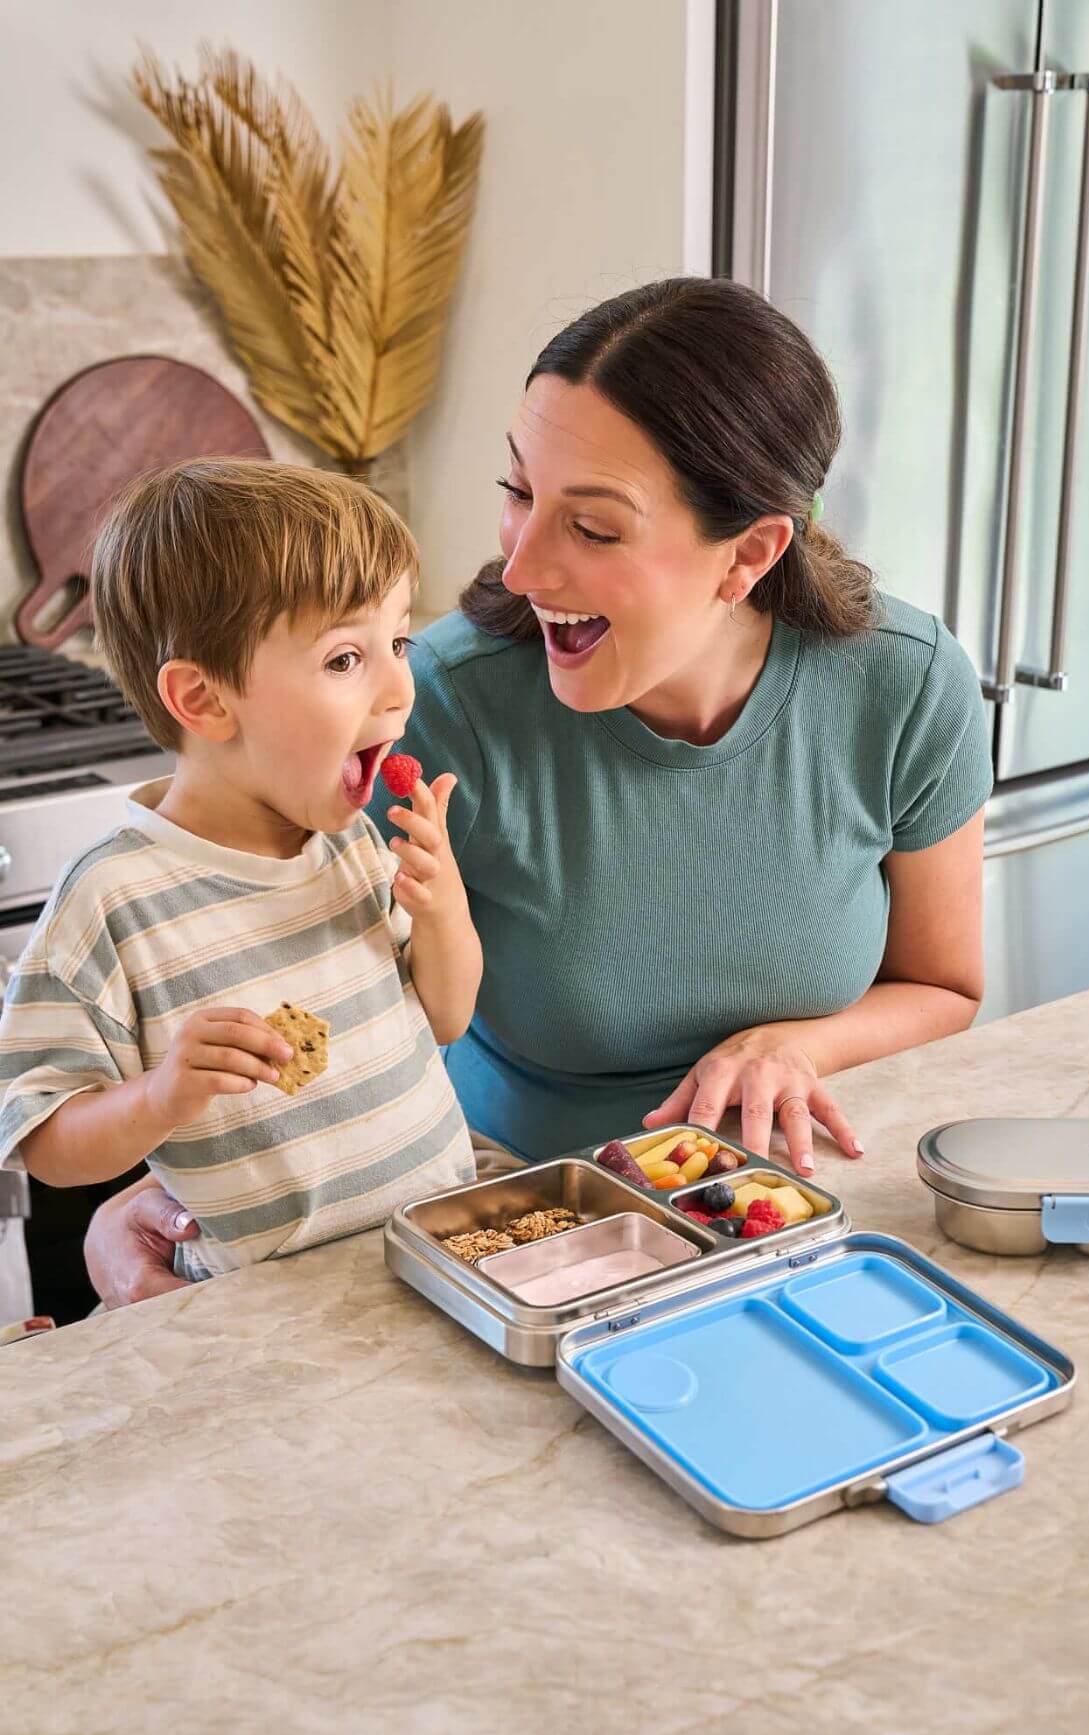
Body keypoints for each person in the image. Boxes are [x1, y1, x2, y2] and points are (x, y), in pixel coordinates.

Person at [86, 276, 990, 1306]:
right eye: (519, 494)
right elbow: (226, 946)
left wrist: (793, 1044)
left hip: (799, 1213)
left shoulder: (901, 682)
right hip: (507, 1232)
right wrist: (129, 1200)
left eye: (591, 528)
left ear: (747, 553)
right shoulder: (432, 706)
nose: (520, 567)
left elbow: (947, 986)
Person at [0, 459, 478, 1282]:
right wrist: (160, 1099)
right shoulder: (112, 901)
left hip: (430, 1262)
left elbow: (445, 1018)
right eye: (343, 659)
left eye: (396, 641)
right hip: (259, 1316)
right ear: (206, 701)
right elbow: (45, 1145)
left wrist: (443, 913)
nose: (400, 687)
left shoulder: (351, 848)